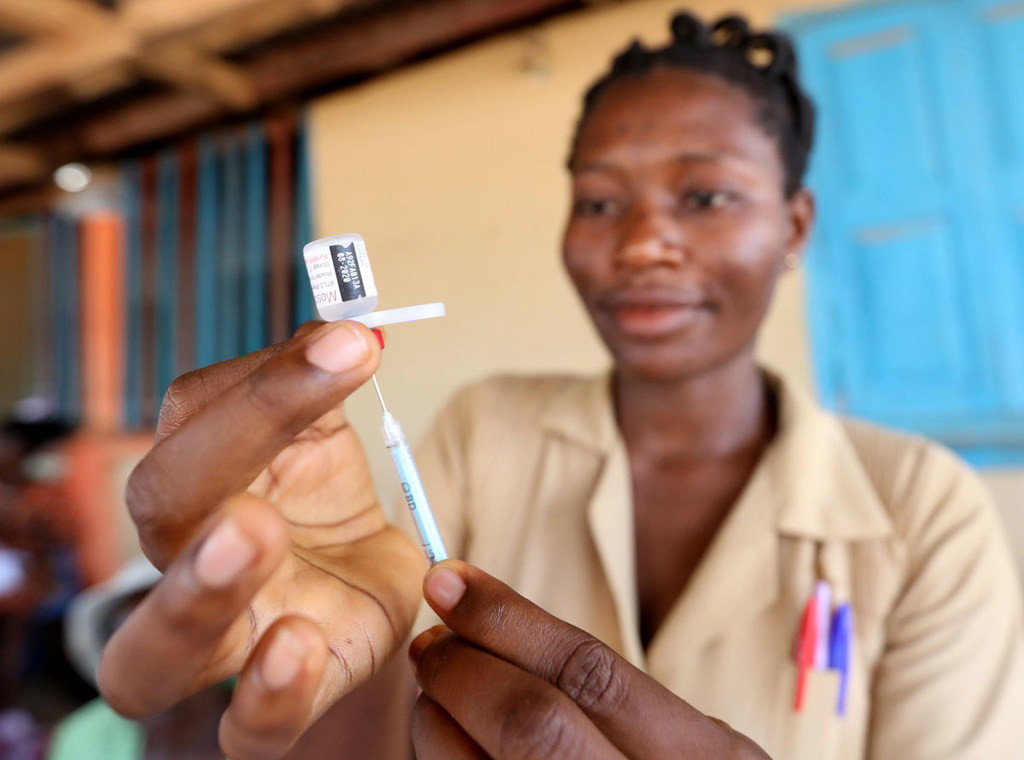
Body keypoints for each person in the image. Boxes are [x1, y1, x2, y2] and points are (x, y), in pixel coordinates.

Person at [96, 12, 1024, 760]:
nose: (640, 243)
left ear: (793, 225)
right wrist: (329, 667)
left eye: (704, 196)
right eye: (599, 201)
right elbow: (367, 685)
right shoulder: (485, 429)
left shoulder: (922, 511)